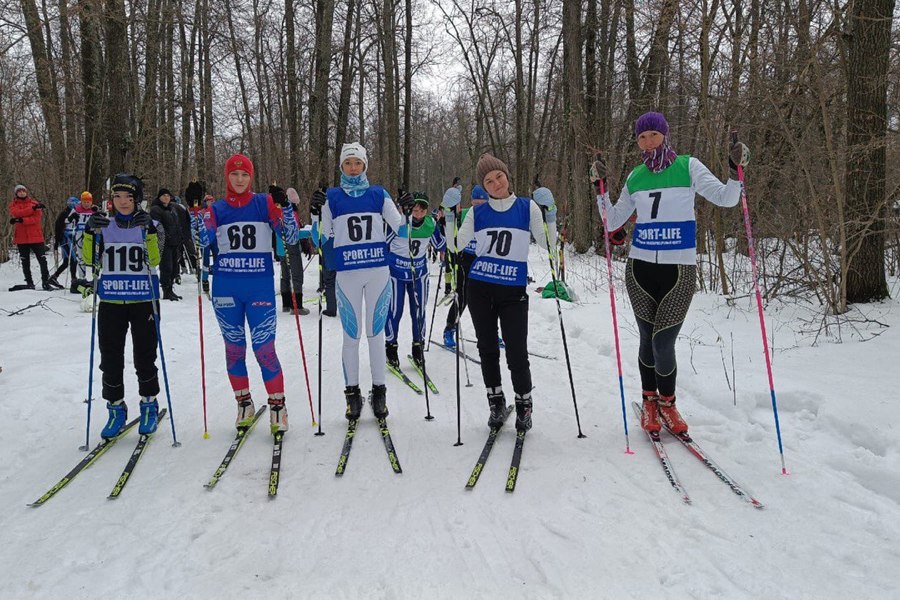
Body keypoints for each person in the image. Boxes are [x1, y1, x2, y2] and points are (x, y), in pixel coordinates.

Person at [592, 111, 749, 434]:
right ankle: (649, 402)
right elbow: (613, 220)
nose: (648, 141)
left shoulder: (688, 166)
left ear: (665, 135)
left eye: (653, 134)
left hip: (679, 269)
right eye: (642, 137)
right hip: (640, 270)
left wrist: (735, 171)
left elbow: (726, 198)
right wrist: (600, 189)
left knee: (664, 342)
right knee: (648, 340)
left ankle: (668, 403)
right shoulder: (636, 176)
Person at [453, 154, 558, 432]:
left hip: (512, 290)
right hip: (480, 289)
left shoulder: (527, 207)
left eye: (498, 176)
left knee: (516, 351)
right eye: (489, 181)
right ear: (483, 187)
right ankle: (496, 403)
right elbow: (456, 244)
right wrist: (450, 214)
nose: (496, 183)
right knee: (487, 349)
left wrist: (551, 213)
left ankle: (524, 405)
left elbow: (549, 244)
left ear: (507, 175)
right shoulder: (477, 212)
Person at [311, 142, 414, 421]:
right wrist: (314, 213)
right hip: (348, 275)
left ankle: (379, 393)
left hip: (378, 273)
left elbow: (402, 230)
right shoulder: (332, 197)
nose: (353, 168)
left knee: (375, 335)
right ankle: (352, 395)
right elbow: (319, 238)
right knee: (351, 337)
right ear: (341, 166)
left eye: (358, 163)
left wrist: (407, 211)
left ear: (365, 164)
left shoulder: (378, 194)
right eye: (348, 163)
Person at [202, 154, 299, 434]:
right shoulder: (217, 209)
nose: (240, 180)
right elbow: (202, 240)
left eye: (245, 175)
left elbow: (290, 237)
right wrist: (197, 211)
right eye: (235, 174)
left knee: (264, 349)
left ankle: (278, 406)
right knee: (234, 349)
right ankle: (243, 403)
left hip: (258, 287)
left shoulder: (263, 203)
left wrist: (285, 207)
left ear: (251, 177)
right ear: (227, 177)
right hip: (226, 289)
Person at [82, 173, 162, 437]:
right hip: (111, 301)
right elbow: (88, 260)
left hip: (143, 301)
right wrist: (88, 232)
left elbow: (155, 259)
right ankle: (116, 407)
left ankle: (149, 404)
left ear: (137, 199)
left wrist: (149, 230)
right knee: (111, 358)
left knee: (144, 356)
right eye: (117, 196)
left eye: (129, 197)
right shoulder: (104, 224)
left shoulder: (150, 223)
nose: (123, 202)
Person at [384, 192, 446, 369]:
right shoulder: (398, 223)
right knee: (395, 311)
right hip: (396, 274)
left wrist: (447, 222)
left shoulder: (430, 224)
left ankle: (418, 347)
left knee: (418, 312)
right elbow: (383, 244)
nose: (418, 213)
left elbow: (440, 244)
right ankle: (391, 347)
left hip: (418, 275)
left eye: (422, 210)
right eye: (415, 210)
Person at [441, 183, 484, 348]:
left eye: (482, 202)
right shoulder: (465, 213)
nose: (478, 205)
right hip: (465, 259)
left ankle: (489, 333)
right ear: (471, 201)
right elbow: (447, 224)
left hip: (482, 261)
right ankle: (449, 329)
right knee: (463, 297)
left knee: (486, 300)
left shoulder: (491, 215)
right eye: (475, 202)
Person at [8, 184, 52, 291]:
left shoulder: (35, 203)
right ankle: (29, 282)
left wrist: (22, 220)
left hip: (36, 236)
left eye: (23, 191)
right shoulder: (14, 205)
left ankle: (45, 281)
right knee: (25, 261)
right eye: (19, 191)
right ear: (16, 193)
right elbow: (17, 213)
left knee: (42, 259)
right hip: (22, 238)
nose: (22, 193)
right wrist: (31, 210)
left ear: (26, 192)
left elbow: (36, 219)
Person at [277, 187, 310, 315]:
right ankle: (297, 306)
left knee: (285, 275)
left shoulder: (279, 212)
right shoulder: (291, 213)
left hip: (281, 249)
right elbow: (293, 234)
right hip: (291, 248)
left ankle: (286, 304)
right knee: (296, 276)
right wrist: (308, 233)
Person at [150, 188, 182, 300]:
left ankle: (171, 288)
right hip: (164, 243)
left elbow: (177, 224)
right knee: (166, 267)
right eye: (164, 196)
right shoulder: (156, 209)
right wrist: (166, 237)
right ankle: (166, 290)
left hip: (175, 242)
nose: (166, 198)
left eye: (168, 196)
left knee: (174, 267)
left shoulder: (172, 209)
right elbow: (157, 226)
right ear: (159, 197)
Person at [48, 196, 79, 290]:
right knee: (73, 260)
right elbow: (58, 226)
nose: (77, 205)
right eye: (75, 204)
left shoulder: (75, 212)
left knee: (66, 262)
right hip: (65, 238)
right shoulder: (65, 213)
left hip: (71, 237)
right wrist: (57, 242)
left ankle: (54, 277)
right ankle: (74, 280)